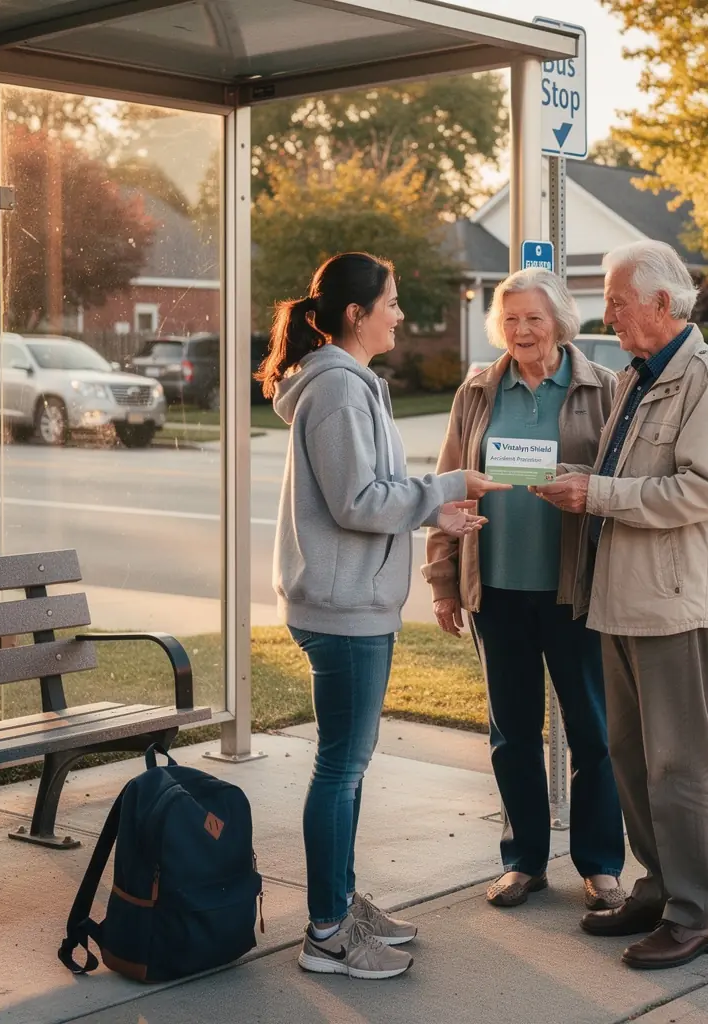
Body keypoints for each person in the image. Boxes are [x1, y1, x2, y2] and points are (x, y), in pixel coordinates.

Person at [259, 251, 509, 981]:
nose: (401, 314)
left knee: (349, 765)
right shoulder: (337, 390)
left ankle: (340, 899)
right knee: (339, 768)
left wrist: (440, 508)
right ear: (354, 314)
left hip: (351, 600)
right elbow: (356, 503)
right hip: (341, 608)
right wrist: (446, 485)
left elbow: (374, 489)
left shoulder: (347, 383)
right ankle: (327, 934)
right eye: (392, 303)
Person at [534, 240, 708, 970]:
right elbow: (619, 474)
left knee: (678, 766)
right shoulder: (635, 378)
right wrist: (575, 478)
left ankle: (698, 915)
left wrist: (594, 493)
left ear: (662, 303)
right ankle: (659, 890)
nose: (608, 316)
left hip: (673, 604)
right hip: (619, 599)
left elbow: (699, 491)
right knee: (629, 756)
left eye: (618, 302)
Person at [423, 267, 627, 913]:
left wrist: (575, 478)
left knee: (594, 733)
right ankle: (524, 862)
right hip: (498, 589)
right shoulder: (479, 391)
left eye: (533, 318)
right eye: (510, 319)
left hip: (577, 592)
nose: (521, 331)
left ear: (560, 321)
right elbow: (447, 481)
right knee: (512, 733)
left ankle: (600, 866)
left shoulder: (604, 388)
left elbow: (622, 480)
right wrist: (444, 581)